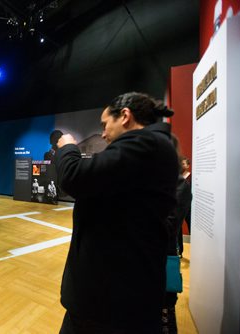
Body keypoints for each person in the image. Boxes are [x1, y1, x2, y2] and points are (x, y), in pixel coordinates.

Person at [55, 92, 179, 333]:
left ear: (125, 116)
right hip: (119, 295)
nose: (102, 133)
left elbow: (74, 177)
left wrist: (68, 147)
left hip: (109, 301)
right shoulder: (153, 148)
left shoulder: (145, 145)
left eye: (105, 124)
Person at [161, 135, 192, 333]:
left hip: (163, 258)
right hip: (142, 264)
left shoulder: (179, 186)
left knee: (165, 312)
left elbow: (168, 227)